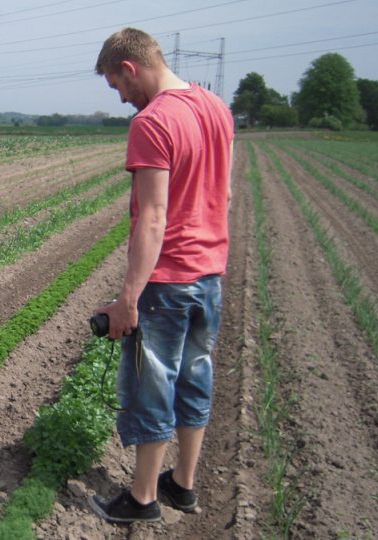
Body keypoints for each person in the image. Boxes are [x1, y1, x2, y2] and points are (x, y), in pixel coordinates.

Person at [87, 27, 234, 524]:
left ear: (130, 68)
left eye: (117, 86)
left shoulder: (153, 122)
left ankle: (143, 498)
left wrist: (128, 298)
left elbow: (152, 217)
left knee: (153, 384)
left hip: (168, 280)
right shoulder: (215, 107)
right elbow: (225, 194)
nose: (122, 97)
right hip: (210, 272)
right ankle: (184, 485)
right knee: (195, 377)